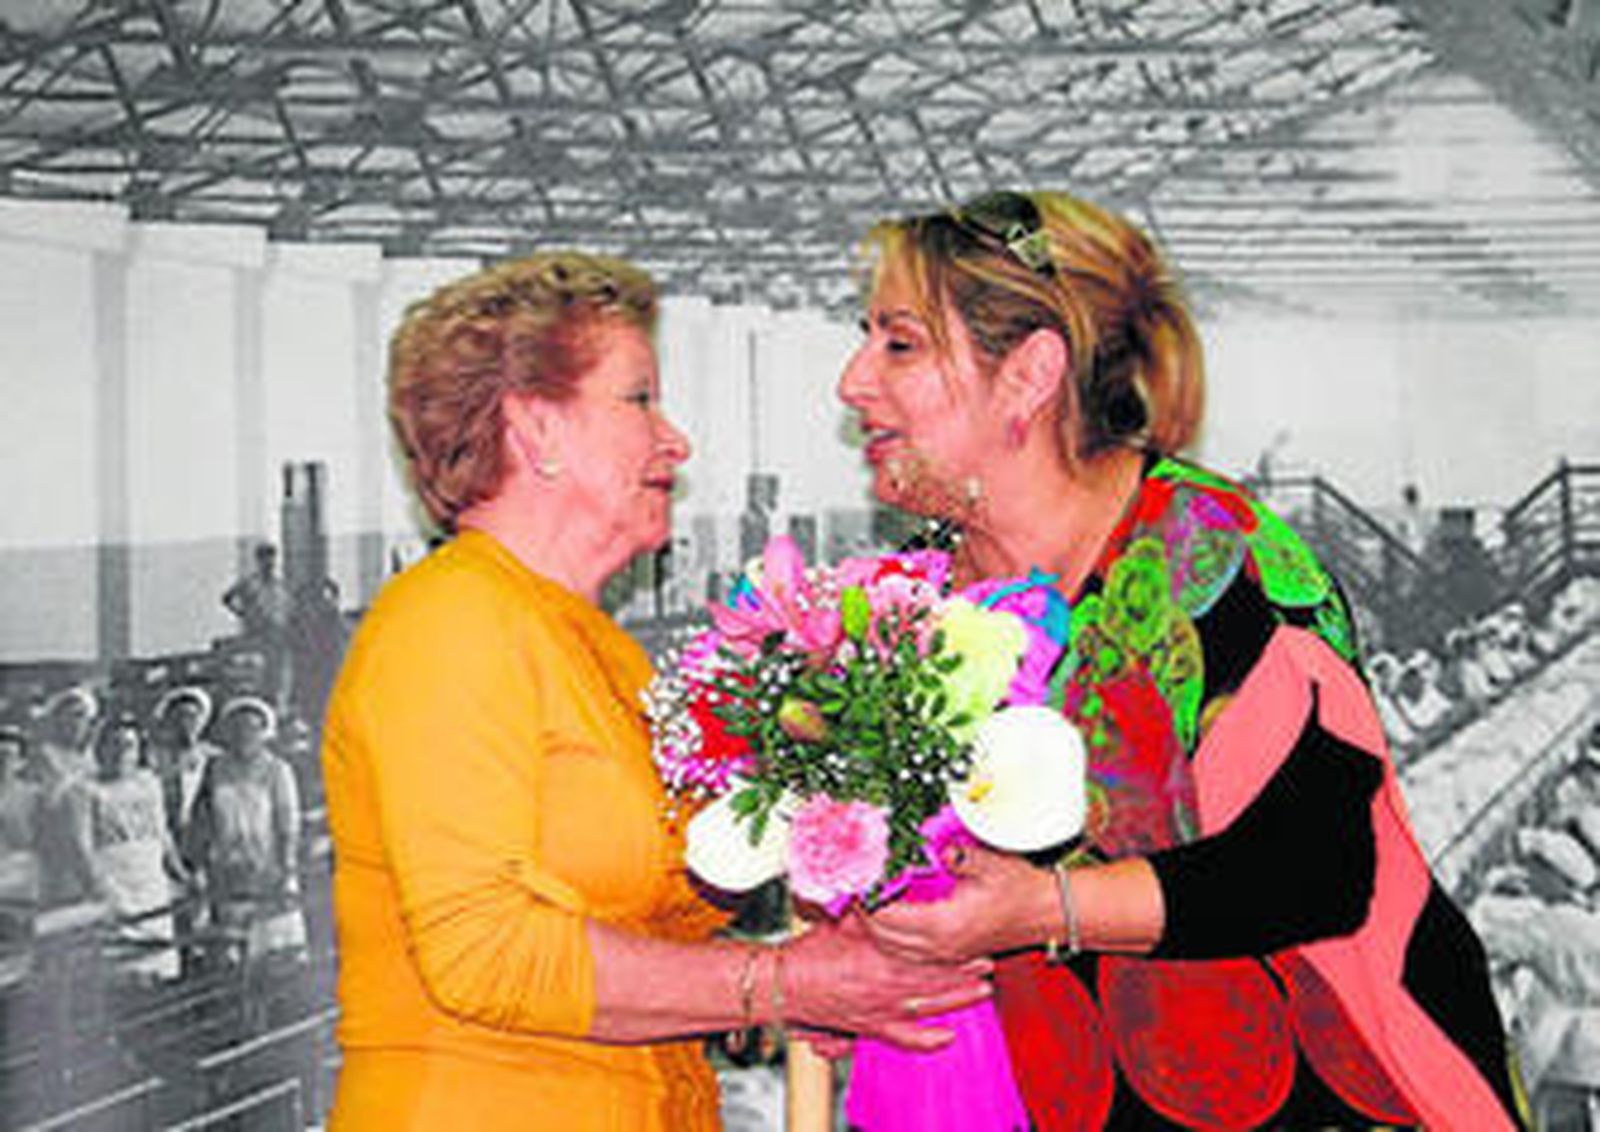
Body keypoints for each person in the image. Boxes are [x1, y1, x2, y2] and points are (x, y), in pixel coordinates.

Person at [836, 189, 1525, 1128]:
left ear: (1029, 374)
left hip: (1318, 1090)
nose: (853, 382)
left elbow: (1317, 867)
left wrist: (1046, 908)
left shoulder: (1210, 560)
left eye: (900, 345)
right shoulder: (908, 599)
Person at [320, 250, 991, 1131]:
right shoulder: (445, 626)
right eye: (639, 399)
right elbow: (486, 952)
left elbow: (654, 928)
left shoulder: (605, 652)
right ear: (536, 429)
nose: (675, 441)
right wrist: (784, 982)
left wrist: (827, 950)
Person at [185, 696, 305, 964]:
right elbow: (201, 819)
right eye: (237, 728)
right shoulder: (215, 769)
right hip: (226, 869)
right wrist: (199, 865)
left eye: (252, 728)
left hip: (268, 866)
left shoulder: (277, 770)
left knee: (271, 946)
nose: (244, 735)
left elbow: (288, 823)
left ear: (264, 732)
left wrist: (286, 868)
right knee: (231, 949)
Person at [87, 716, 185, 981]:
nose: (121, 752)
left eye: (129, 745)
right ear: (100, 749)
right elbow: (82, 844)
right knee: (121, 951)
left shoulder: (149, 783)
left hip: (149, 873)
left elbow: (162, 832)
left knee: (156, 945)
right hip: (112, 873)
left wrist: (180, 873)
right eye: (114, 744)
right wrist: (96, 886)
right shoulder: (87, 789)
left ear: (139, 751)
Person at [222, 542, 293, 708]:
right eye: (265, 558)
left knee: (278, 671)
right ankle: (261, 701)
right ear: (258, 561)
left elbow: (287, 605)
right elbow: (227, 598)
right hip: (258, 633)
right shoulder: (250, 583)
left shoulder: (279, 584)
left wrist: (285, 618)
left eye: (272, 558)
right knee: (259, 670)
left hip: (278, 633)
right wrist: (244, 614)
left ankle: (277, 701)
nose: (269, 563)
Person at [148, 685, 221, 844]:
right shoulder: (153, 758)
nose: (186, 723)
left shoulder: (213, 757)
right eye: (180, 716)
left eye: (193, 717)